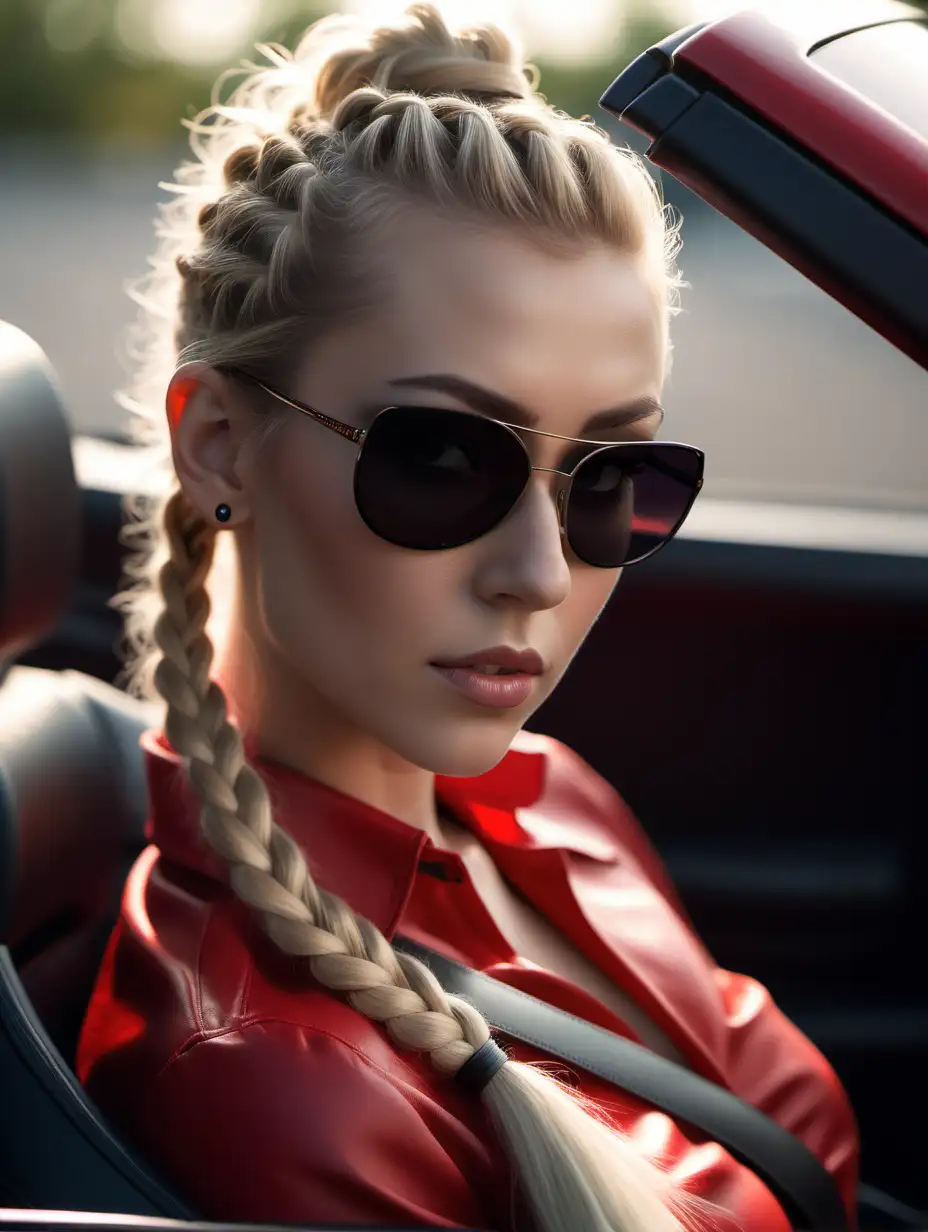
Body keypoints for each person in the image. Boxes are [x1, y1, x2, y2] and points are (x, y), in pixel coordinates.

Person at [76, 5, 859, 1231]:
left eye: (610, 475)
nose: (541, 573)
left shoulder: (549, 795)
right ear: (219, 441)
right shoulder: (272, 1085)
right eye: (442, 459)